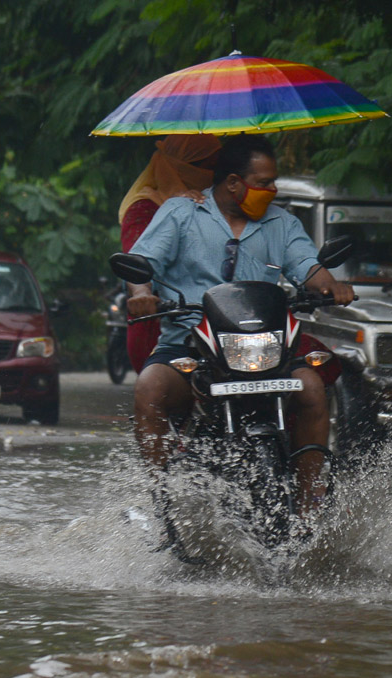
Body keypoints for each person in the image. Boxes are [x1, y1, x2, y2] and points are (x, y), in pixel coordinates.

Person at [129, 134, 356, 516]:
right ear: (233, 182)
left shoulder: (282, 223)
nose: (272, 189)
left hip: (266, 346)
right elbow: (142, 264)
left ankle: (308, 502)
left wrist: (332, 286)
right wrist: (140, 291)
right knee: (150, 387)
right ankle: (159, 501)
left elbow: (309, 267)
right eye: (263, 183)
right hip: (191, 343)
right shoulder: (180, 213)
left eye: (272, 182)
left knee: (313, 389)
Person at [119, 134, 223, 373]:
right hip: (163, 322)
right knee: (160, 398)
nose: (213, 174)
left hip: (218, 322)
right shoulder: (144, 208)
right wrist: (142, 292)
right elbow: (139, 264)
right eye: (208, 166)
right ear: (182, 166)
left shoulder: (218, 203)